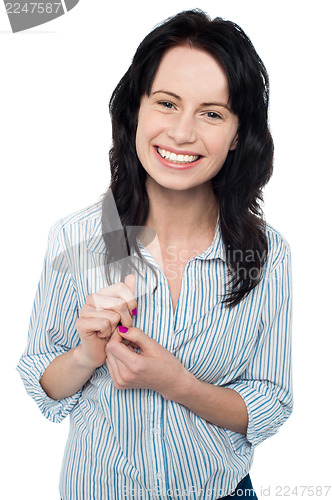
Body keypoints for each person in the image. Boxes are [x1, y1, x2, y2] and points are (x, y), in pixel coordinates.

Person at [17, 9, 293, 500]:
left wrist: (177, 383)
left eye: (212, 113)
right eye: (166, 103)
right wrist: (86, 355)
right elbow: (44, 385)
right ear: (135, 110)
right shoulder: (77, 238)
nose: (183, 133)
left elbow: (270, 401)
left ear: (236, 136)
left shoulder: (267, 255)